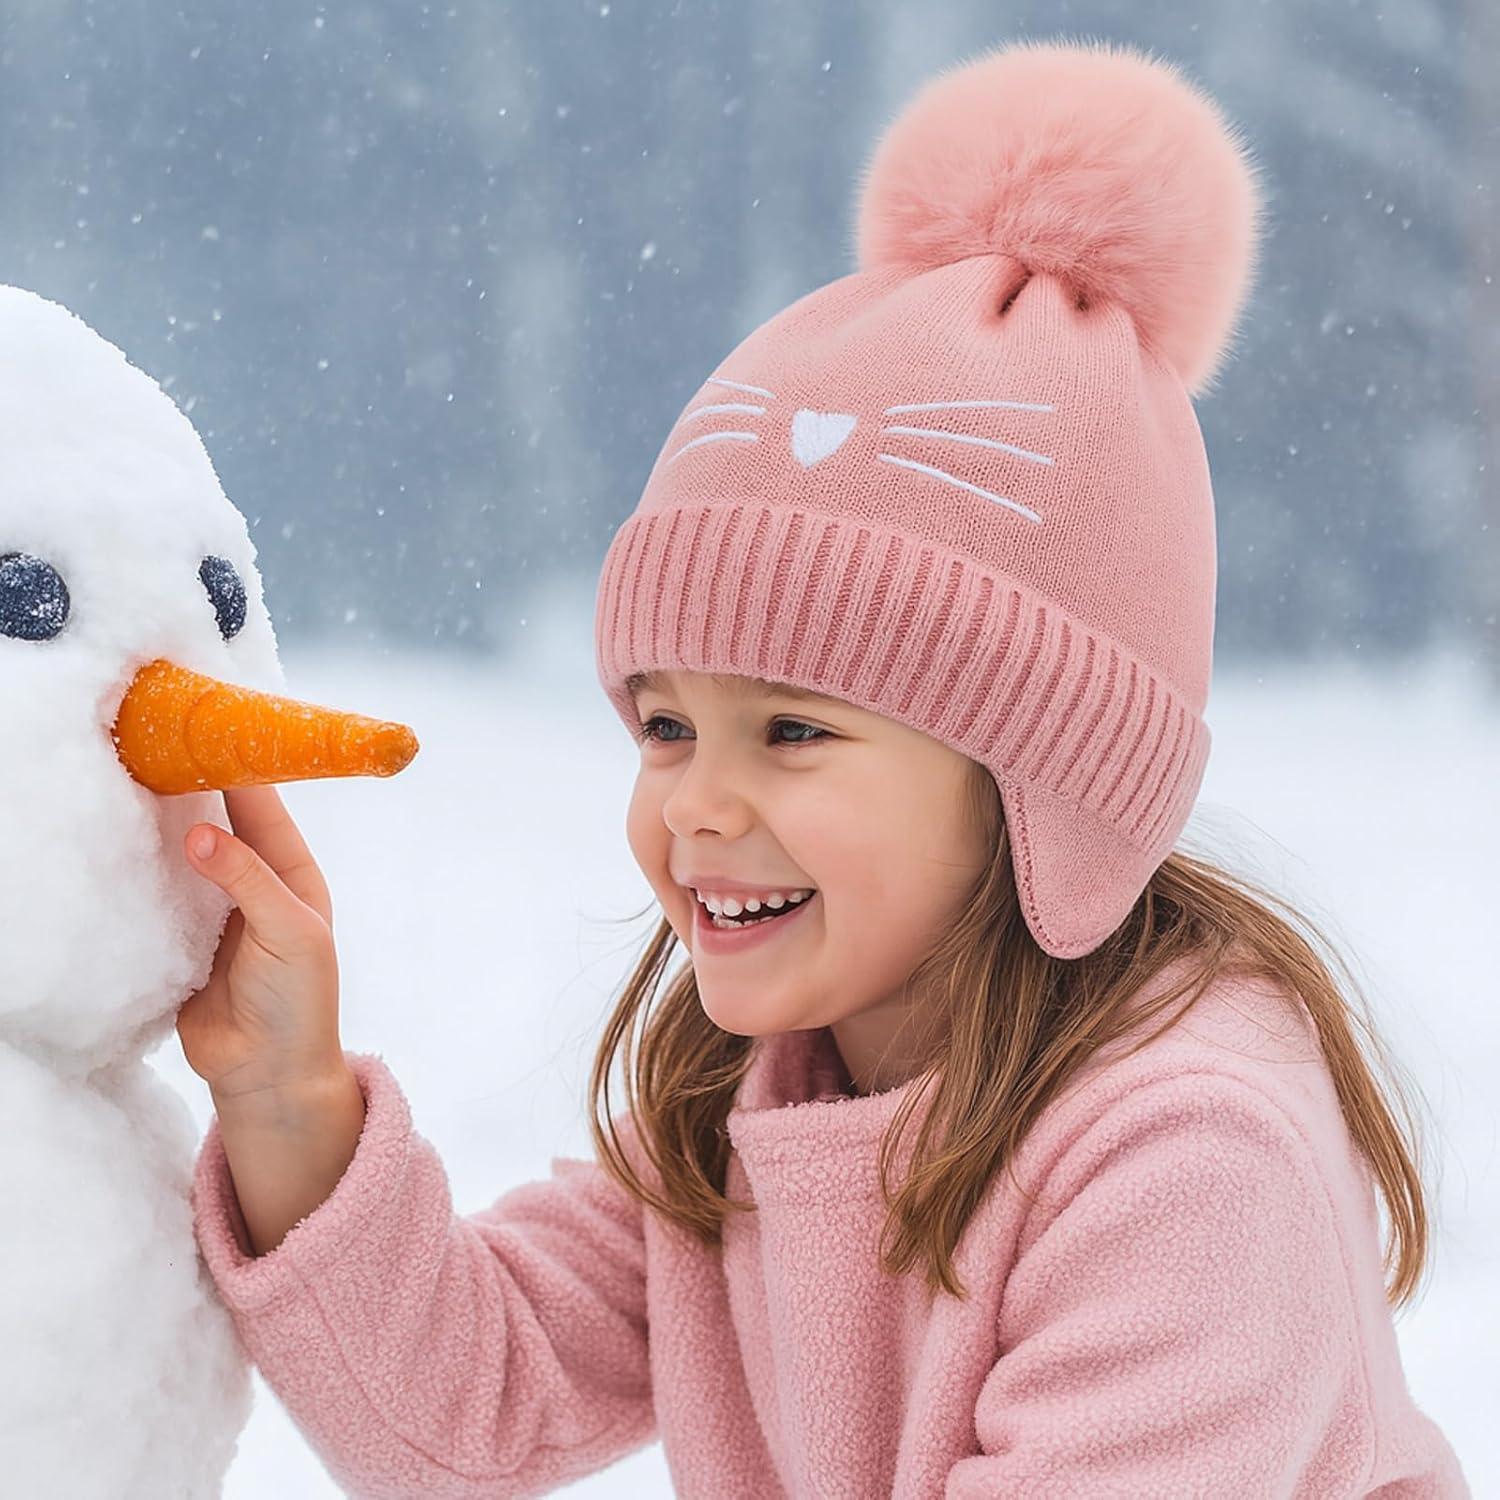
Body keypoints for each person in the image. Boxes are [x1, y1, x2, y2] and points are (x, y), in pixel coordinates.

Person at [181, 36, 1471, 1499]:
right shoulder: (764, 1097)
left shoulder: (1191, 1167)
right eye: (665, 725)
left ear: (1037, 786)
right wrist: (286, 1100)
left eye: (795, 730)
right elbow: (465, 1412)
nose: (699, 803)